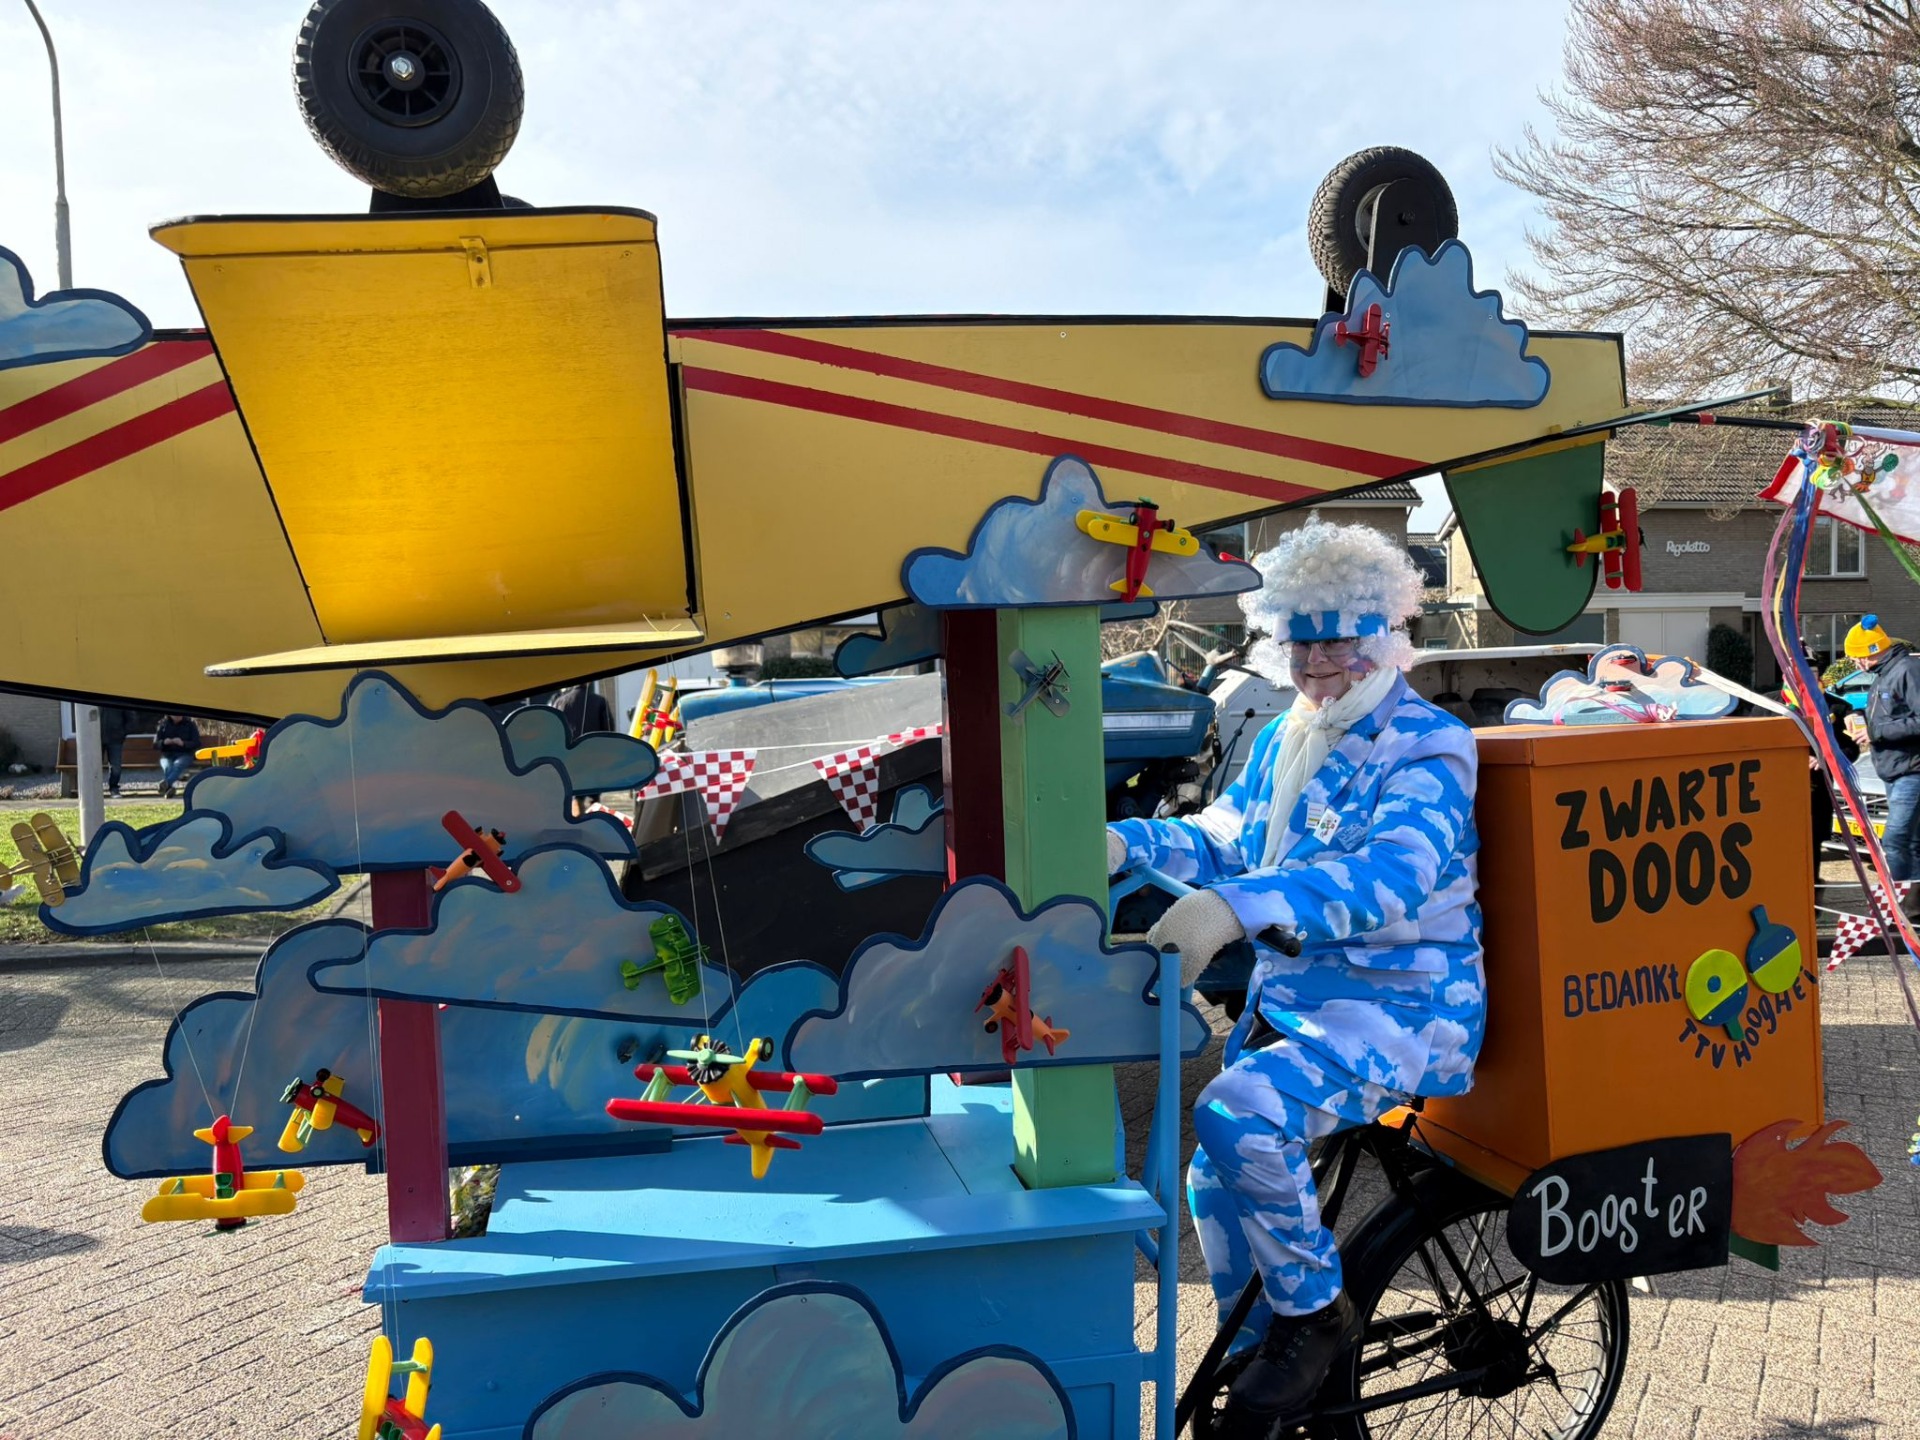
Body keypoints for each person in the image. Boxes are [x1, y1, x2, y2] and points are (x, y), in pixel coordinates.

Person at [1107, 520, 1486, 1429]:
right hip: (1301, 1002)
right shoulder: (1290, 734)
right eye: (1299, 641)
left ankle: (1315, 1320)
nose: (1316, 661)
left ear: (1384, 633)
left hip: (1407, 1008)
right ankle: (1258, 1359)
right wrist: (1123, 842)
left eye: (1337, 640)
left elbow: (1393, 877)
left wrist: (1235, 908)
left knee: (1238, 1112)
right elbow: (1229, 834)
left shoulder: (1429, 743)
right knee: (1212, 1177)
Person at [1847, 615, 1920, 881]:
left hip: (1911, 769)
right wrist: (1859, 718)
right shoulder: (1884, 675)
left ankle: (1900, 898)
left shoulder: (1906, 671)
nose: (1854, 663)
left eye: (1855, 657)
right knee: (1911, 842)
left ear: (1867, 654)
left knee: (1895, 840)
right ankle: (1912, 899)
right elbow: (1890, 715)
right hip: (1894, 768)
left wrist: (1875, 732)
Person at [153, 713, 201, 798]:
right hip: (167, 755)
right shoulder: (163, 724)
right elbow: (155, 744)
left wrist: (183, 743)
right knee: (167, 766)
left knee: (178, 765)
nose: (177, 716)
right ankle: (169, 789)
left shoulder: (190, 724)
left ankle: (166, 785)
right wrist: (163, 742)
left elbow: (197, 743)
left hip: (185, 754)